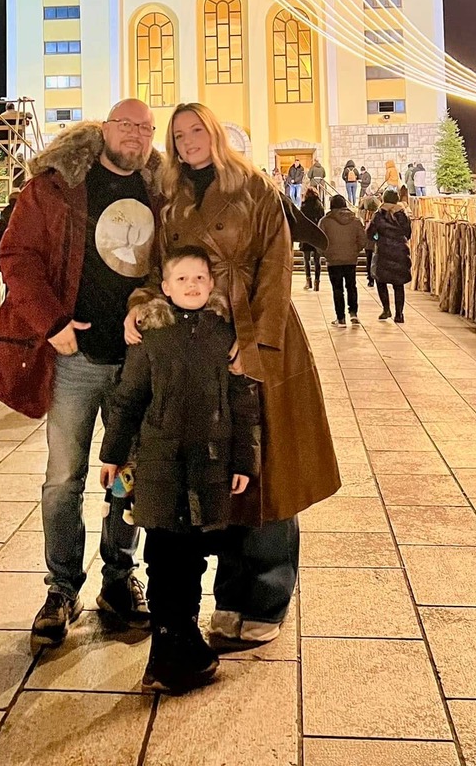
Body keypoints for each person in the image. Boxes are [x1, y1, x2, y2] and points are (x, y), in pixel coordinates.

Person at [125, 102, 339, 649]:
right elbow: (158, 269)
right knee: (224, 471)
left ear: (215, 133)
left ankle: (266, 596)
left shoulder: (254, 187)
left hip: (256, 333)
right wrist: (142, 305)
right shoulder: (172, 198)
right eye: (178, 135)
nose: (188, 141)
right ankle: (229, 597)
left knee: (269, 470)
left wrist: (257, 342)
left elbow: (276, 266)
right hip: (200, 341)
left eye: (197, 130)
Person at [0, 102, 161, 646]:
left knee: (128, 475)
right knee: (63, 478)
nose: (136, 135)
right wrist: (52, 321)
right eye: (126, 125)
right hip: (74, 359)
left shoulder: (160, 191)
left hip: (136, 361)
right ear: (105, 130)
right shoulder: (57, 186)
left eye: (146, 128)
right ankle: (61, 587)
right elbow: (17, 254)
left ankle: (120, 578)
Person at [100, 246, 261, 695]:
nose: (192, 286)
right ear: (165, 288)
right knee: (164, 555)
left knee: (193, 556)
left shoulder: (223, 333)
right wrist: (112, 454)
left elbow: (243, 401)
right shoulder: (152, 336)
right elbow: (128, 399)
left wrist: (245, 460)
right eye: (182, 279)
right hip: (160, 467)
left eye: (200, 278)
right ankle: (168, 649)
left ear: (212, 285)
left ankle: (180, 642)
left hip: (208, 465)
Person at [319, 193, 367, 328]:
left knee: (337, 289)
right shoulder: (355, 220)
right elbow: (362, 240)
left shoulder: (325, 221)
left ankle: (340, 318)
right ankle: (353, 313)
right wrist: (355, 251)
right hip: (350, 259)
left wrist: (325, 253)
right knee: (351, 286)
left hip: (333, 260)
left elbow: (319, 240)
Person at [368, 190, 412, 324]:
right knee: (398, 284)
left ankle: (386, 309)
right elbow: (408, 233)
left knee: (380, 281)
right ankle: (399, 314)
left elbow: (370, 233)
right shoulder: (402, 215)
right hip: (400, 252)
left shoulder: (378, 215)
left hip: (383, 251)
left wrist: (378, 239)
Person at [299, 187, 325, 290]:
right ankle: (317, 282)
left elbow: (300, 221)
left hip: (306, 235)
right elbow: (322, 219)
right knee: (317, 260)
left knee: (307, 259)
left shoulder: (304, 206)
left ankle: (308, 281)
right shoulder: (319, 205)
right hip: (317, 234)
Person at [360, 194, 380, 288]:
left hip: (368, 240)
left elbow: (360, 208)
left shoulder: (364, 213)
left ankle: (370, 279)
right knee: (375, 260)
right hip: (376, 240)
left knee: (369, 260)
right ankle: (375, 277)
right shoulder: (378, 215)